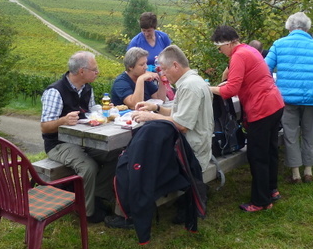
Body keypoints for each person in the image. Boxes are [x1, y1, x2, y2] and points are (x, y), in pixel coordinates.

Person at [105, 44, 214, 229]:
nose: (163, 74)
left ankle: (132, 215)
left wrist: (151, 117)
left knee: (132, 165)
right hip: (194, 146)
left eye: (164, 69)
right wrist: (155, 108)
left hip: (189, 151)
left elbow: (181, 125)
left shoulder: (189, 87)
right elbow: (178, 113)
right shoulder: (193, 81)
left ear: (175, 65)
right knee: (139, 155)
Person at [209, 26, 284, 212]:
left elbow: (230, 90)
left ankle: (260, 201)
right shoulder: (249, 50)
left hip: (261, 109)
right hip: (274, 104)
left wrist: (208, 89)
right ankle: (271, 189)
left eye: (219, 47)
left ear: (228, 43)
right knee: (270, 150)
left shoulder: (238, 56)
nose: (220, 51)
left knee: (257, 155)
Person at [40, 51, 116, 222]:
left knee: (116, 154)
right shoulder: (55, 91)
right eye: (94, 70)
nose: (97, 72)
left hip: (85, 140)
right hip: (58, 144)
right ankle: (87, 212)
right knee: (88, 167)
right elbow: (44, 127)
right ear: (82, 71)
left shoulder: (87, 88)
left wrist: (104, 111)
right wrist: (63, 121)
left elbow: (90, 112)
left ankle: (97, 195)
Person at [265, 12, 313, 184]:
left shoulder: (278, 44)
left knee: (290, 134)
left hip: (286, 97)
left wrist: (273, 86)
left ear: (289, 27)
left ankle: (295, 173)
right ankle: (308, 170)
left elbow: (265, 68)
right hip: (312, 96)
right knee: (309, 132)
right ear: (307, 28)